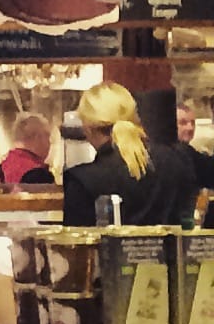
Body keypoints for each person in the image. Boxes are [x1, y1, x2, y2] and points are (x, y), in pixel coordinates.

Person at [63, 83, 207, 226]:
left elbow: (75, 248)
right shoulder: (182, 158)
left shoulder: (82, 181)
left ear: (87, 128)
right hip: (178, 249)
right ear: (135, 117)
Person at [0, 111, 58, 192]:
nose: (50, 143)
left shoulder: (0, 169)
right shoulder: (39, 175)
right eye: (47, 136)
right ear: (37, 138)